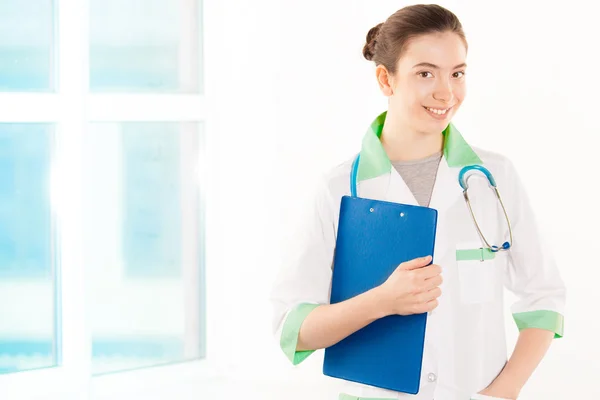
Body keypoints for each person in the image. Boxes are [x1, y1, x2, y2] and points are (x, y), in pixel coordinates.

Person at [270, 4, 566, 400]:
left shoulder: (494, 179)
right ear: (385, 79)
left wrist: (503, 391)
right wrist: (382, 301)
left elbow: (543, 295)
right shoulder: (339, 188)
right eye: (425, 73)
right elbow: (294, 327)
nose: (446, 92)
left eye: (457, 73)